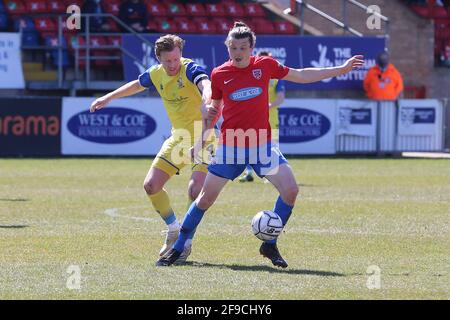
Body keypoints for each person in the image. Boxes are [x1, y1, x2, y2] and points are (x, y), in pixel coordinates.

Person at [156, 22, 364, 268]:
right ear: (228, 48)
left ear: (252, 48)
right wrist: (200, 142)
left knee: (291, 191)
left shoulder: (265, 66)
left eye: (243, 47)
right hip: (231, 146)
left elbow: (301, 74)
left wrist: (340, 69)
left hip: (261, 143)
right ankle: (178, 248)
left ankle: (270, 243)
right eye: (233, 47)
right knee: (204, 199)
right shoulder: (220, 73)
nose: (238, 52)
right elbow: (213, 112)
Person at [89, 34, 214, 263]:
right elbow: (137, 85)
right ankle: (173, 228)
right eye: (168, 61)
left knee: (196, 190)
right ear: (159, 59)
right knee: (151, 185)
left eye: (176, 59)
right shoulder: (156, 74)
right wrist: (107, 98)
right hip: (179, 137)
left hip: (205, 136)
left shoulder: (189, 69)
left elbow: (205, 82)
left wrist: (208, 97)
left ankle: (184, 242)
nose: (173, 64)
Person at [239, 50, 286, 183]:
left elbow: (281, 98)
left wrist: (268, 106)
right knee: (248, 143)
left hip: (271, 117)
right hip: (254, 117)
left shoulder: (276, 78)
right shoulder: (251, 75)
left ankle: (272, 175)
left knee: (273, 147)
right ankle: (248, 173)